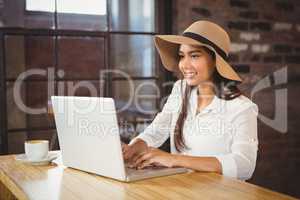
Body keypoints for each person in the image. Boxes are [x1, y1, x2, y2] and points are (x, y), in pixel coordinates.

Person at [122, 20, 259, 181]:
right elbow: (159, 128)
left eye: (194, 56)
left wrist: (173, 160)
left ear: (215, 61)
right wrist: (137, 145)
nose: (184, 65)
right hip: (182, 191)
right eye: (181, 56)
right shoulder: (180, 89)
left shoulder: (242, 108)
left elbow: (244, 165)